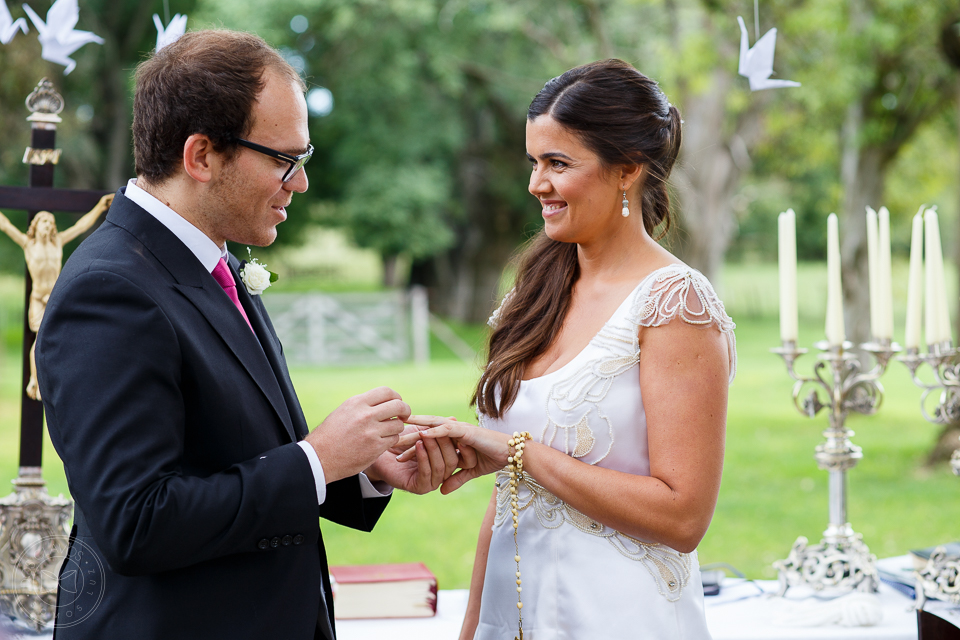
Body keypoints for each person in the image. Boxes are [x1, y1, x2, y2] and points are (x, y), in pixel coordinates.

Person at [36, 30, 459, 640]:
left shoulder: (217, 264)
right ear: (201, 156)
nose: (301, 183)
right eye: (284, 160)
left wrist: (360, 466)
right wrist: (317, 460)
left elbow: (233, 452)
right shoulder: (111, 291)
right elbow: (135, 522)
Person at [401, 59, 737, 639]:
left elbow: (682, 516)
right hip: (517, 617)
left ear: (628, 170)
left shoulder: (674, 303)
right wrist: (472, 629)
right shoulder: (534, 294)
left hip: (620, 618)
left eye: (558, 164)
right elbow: (508, 500)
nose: (536, 184)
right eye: (534, 162)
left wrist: (514, 450)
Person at [0, 194, 113, 400]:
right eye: (43, 221)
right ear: (36, 225)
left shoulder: (57, 242)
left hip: (54, 297)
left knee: (58, 338)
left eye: (49, 222)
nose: (47, 225)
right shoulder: (28, 245)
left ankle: (54, 378)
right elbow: (6, 225)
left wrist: (99, 208)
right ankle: (35, 380)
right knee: (39, 339)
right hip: (37, 298)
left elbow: (80, 226)